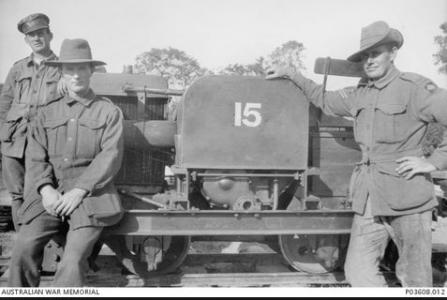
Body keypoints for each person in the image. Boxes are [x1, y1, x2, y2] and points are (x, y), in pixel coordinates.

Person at [266, 20, 447, 287]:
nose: (369, 61)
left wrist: (433, 162)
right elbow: (323, 98)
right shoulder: (359, 93)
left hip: (407, 196)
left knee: (416, 280)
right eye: (365, 56)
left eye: (376, 53)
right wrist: (292, 73)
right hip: (368, 198)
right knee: (358, 273)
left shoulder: (415, 88)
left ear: (393, 53)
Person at [8, 38, 124, 287]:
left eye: (82, 68)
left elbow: (110, 156)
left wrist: (79, 191)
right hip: (49, 195)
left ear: (91, 71)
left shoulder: (108, 112)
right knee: (22, 251)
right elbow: (36, 156)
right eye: (70, 69)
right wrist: (45, 189)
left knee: (72, 261)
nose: (76, 75)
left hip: (91, 197)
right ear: (61, 72)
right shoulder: (46, 112)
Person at [0, 13, 61, 230]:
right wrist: (2, 136)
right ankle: (21, 249)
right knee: (17, 196)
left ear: (49, 35)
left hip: (45, 144)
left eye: (40, 33)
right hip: (13, 142)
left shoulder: (63, 68)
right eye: (31, 35)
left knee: (40, 192)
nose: (36, 38)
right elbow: (4, 104)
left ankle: (40, 247)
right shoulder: (18, 68)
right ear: (26, 40)